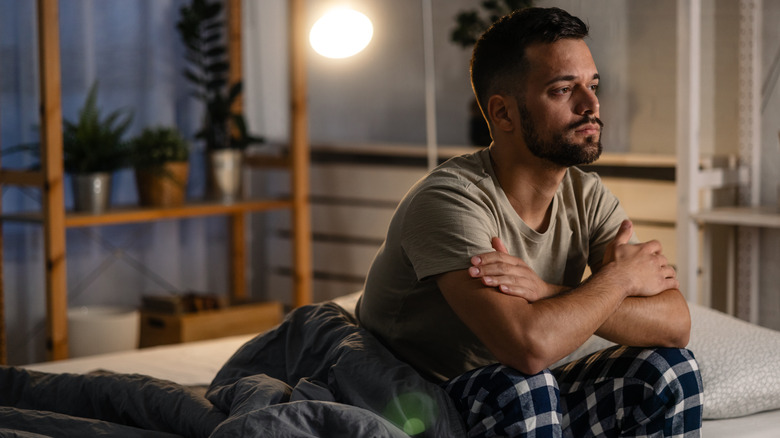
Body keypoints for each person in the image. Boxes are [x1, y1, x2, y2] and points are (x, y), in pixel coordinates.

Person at [356, 6, 703, 437]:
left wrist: (547, 292)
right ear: (503, 115)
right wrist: (618, 281)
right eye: (563, 90)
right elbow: (529, 347)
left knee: (670, 369)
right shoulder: (449, 200)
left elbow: (675, 324)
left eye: (592, 85)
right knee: (524, 387)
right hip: (418, 402)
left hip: (519, 393)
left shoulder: (587, 195)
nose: (591, 104)